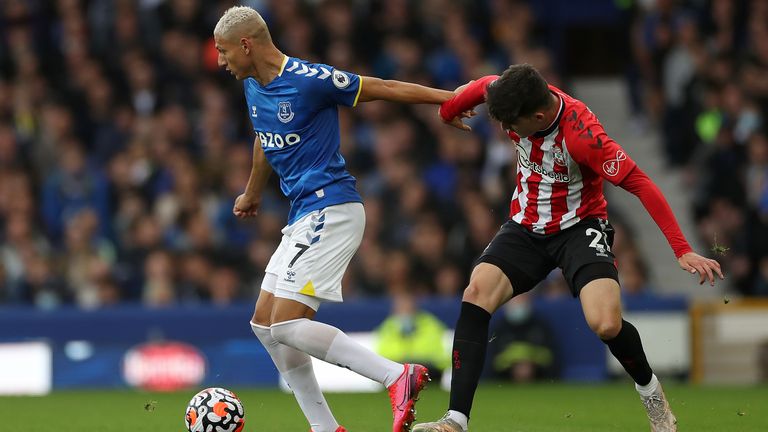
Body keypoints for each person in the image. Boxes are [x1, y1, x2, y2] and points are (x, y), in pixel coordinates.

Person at [413, 64, 724, 432]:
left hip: (580, 227)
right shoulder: (514, 94)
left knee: (605, 323)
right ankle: (456, 421)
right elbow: (482, 86)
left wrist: (681, 248)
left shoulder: (584, 136)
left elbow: (640, 182)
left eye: (512, 124)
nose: (506, 131)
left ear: (540, 116)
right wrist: (449, 112)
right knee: (476, 291)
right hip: (526, 226)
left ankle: (651, 393)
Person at [213, 6, 460, 432]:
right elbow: (262, 137)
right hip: (303, 214)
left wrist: (449, 100)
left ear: (246, 45)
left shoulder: (311, 81)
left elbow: (383, 87)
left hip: (333, 209)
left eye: (223, 51)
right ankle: (325, 428)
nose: (220, 61)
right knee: (264, 325)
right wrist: (253, 192)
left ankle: (396, 376)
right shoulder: (253, 86)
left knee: (287, 324)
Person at [375, 290, 450, 382]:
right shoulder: (388, 327)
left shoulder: (430, 324)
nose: (405, 310)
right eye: (401, 307)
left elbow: (439, 355)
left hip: (429, 370)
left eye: (408, 306)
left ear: (415, 307)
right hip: (397, 372)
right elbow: (383, 355)